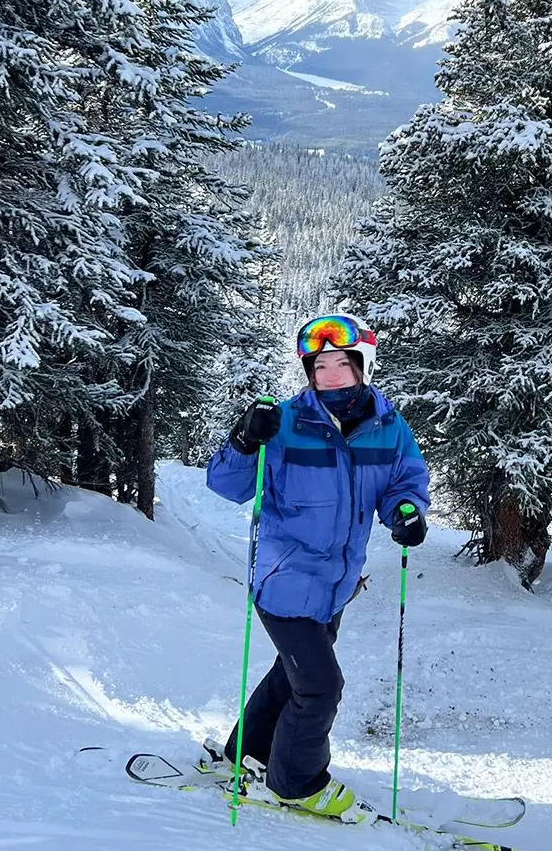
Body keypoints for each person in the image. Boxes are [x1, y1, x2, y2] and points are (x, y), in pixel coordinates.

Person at [205, 313, 430, 823]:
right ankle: (297, 781)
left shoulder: (388, 427)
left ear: (362, 366)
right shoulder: (284, 422)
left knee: (295, 674)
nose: (328, 374)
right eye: (318, 364)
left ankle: (247, 753)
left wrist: (406, 512)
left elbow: (404, 481)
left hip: (336, 586)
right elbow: (227, 486)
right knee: (321, 685)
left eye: (340, 363)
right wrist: (244, 440)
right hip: (284, 581)